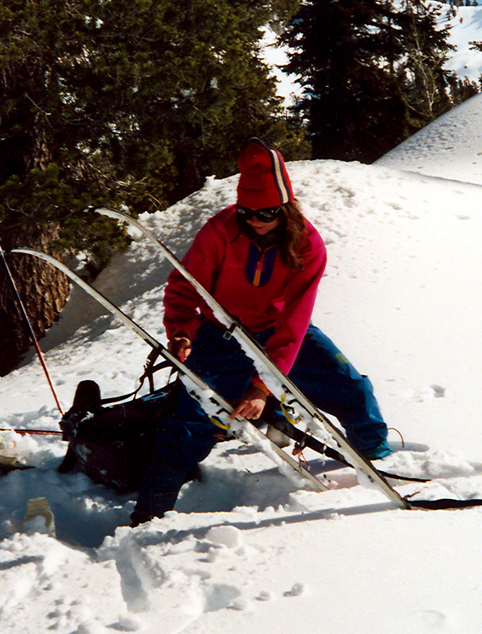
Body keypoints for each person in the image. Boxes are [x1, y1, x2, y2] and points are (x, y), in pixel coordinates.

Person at [130, 138, 392, 526]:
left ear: (285, 208)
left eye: (265, 212)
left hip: (278, 335)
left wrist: (262, 387)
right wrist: (182, 332)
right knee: (190, 422)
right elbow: (185, 287)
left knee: (351, 388)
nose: (254, 219)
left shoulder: (308, 246)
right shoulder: (221, 230)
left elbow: (294, 325)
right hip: (219, 335)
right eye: (246, 211)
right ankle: (148, 515)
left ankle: (381, 467)